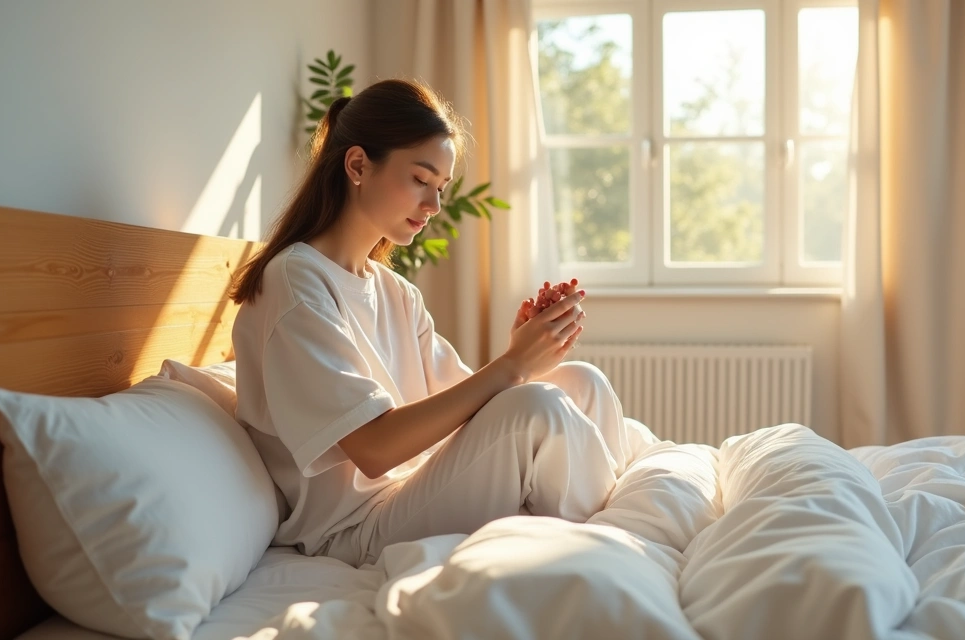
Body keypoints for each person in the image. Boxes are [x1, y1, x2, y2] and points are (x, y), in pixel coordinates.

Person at [228, 79, 658, 568]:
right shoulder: (295, 280)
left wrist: (522, 353)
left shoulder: (394, 291)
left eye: (440, 188)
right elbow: (373, 448)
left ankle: (609, 537)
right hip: (356, 527)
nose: (433, 206)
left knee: (582, 381)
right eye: (420, 179)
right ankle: (615, 553)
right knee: (538, 409)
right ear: (358, 165)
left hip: (415, 487)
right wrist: (512, 367)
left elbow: (464, 405)